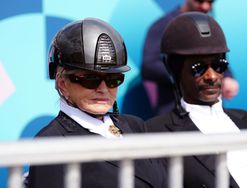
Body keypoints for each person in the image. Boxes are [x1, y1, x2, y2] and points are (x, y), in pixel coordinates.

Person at [145, 12, 247, 187]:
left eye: (219, 65)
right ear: (175, 70)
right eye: (198, 68)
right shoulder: (156, 132)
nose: (212, 76)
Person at [28, 18, 167, 188]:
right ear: (63, 83)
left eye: (113, 79)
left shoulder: (136, 125)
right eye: (90, 79)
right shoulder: (49, 144)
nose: (103, 89)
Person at [141, 0, 239, 116]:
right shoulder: (163, 26)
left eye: (210, 2)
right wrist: (189, 75)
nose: (205, 6)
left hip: (211, 110)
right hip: (176, 111)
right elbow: (149, 65)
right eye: (200, 1)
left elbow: (218, 61)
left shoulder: (211, 26)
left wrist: (227, 78)